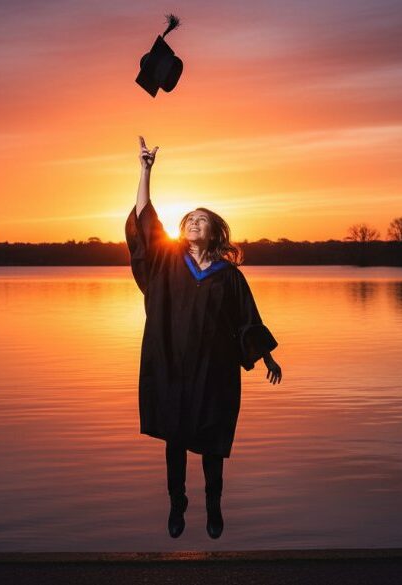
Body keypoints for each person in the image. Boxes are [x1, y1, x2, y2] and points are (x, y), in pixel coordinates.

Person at [125, 135, 283, 539]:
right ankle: (177, 503)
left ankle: (214, 504)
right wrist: (145, 171)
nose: (194, 222)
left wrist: (266, 357)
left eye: (202, 220)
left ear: (214, 234)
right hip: (173, 364)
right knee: (175, 438)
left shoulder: (229, 277)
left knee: (213, 440)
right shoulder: (166, 261)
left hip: (214, 371)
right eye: (189, 219)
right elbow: (145, 226)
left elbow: (247, 320)